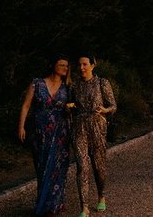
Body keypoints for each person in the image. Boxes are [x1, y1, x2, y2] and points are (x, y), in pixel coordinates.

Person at [18, 54, 72, 217]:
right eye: (61, 65)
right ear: (53, 66)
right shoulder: (37, 83)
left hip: (60, 133)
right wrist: (21, 126)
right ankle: (44, 202)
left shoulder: (68, 87)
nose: (65, 68)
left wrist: (70, 108)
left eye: (67, 66)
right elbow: (26, 106)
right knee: (42, 168)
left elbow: (74, 107)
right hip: (40, 132)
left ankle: (53, 206)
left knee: (58, 168)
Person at [70, 55, 116, 217]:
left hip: (97, 126)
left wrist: (105, 110)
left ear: (93, 65)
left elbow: (113, 106)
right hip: (79, 128)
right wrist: (70, 106)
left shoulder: (102, 83)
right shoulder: (74, 85)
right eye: (79, 64)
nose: (81, 67)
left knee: (99, 166)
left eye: (85, 64)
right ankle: (84, 207)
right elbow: (72, 105)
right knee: (82, 167)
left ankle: (101, 195)